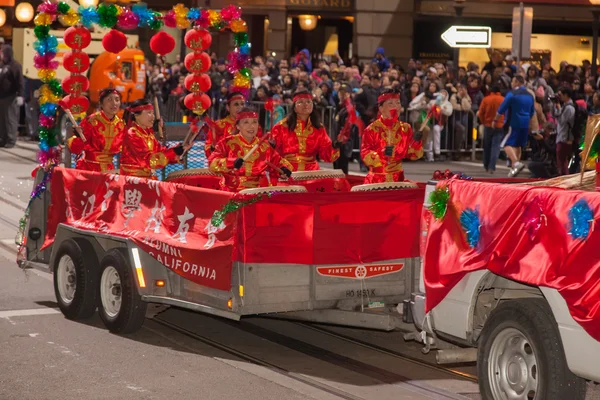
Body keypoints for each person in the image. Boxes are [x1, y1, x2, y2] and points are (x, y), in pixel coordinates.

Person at [209, 107, 292, 192]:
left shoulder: (264, 146)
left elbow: (280, 163)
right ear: (237, 126)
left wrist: (283, 170)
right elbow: (212, 163)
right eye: (246, 122)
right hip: (231, 191)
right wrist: (231, 162)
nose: (251, 126)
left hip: (257, 192)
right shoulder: (227, 143)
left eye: (254, 122)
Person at [360, 89, 424, 183]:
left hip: (398, 180)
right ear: (381, 108)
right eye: (390, 103)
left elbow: (412, 155)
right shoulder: (371, 129)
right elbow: (365, 154)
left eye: (398, 103)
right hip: (376, 180)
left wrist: (416, 143)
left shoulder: (405, 128)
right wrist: (381, 153)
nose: (396, 107)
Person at [271, 90, 341, 171]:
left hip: (311, 172)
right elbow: (272, 152)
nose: (305, 105)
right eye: (300, 102)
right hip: (287, 170)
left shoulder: (319, 128)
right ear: (294, 107)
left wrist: (335, 146)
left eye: (308, 102)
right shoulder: (282, 126)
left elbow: (326, 155)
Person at [120, 99, 183, 178]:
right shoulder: (132, 134)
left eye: (153, 113)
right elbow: (149, 161)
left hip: (147, 179)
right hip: (133, 182)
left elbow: (160, 152)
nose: (153, 116)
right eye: (149, 113)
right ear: (136, 116)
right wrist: (173, 152)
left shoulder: (148, 134)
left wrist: (177, 152)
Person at [67, 88, 125, 172]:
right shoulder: (91, 121)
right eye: (109, 100)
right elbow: (74, 149)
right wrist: (79, 137)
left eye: (117, 100)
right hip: (89, 169)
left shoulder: (121, 125)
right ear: (101, 103)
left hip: (109, 170)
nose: (114, 103)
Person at [494, 75, 535, 177]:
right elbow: (532, 112)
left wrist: (495, 120)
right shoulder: (530, 95)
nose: (511, 84)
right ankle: (514, 168)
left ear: (516, 82)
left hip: (514, 122)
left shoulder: (512, 94)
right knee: (517, 145)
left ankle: (516, 163)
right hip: (525, 123)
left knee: (506, 144)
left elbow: (502, 108)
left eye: (512, 81)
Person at [205, 92, 247, 158]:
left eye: (242, 104)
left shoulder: (253, 126)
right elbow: (208, 152)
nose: (240, 107)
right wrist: (213, 147)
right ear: (228, 107)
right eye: (236, 104)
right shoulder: (218, 126)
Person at [333, 83, 363, 174]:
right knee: (336, 167)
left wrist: (340, 139)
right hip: (337, 141)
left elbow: (347, 127)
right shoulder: (339, 107)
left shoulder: (349, 108)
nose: (342, 95)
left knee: (342, 169)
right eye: (340, 93)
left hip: (343, 142)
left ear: (349, 94)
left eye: (344, 93)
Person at [0, 45, 24, 148]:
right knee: (2, 120)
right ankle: (3, 138)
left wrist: (20, 95)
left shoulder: (15, 66)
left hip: (11, 96)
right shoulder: (2, 65)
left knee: (10, 119)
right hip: (2, 96)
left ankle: (11, 139)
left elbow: (20, 81)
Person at [478, 86, 505, 173]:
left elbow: (481, 113)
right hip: (499, 125)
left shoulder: (486, 99)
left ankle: (486, 165)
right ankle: (492, 167)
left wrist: (484, 122)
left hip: (488, 124)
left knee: (487, 146)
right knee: (495, 146)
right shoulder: (502, 99)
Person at [552, 86, 576, 176]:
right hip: (562, 136)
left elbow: (562, 121)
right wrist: (556, 105)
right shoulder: (566, 106)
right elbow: (556, 116)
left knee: (562, 162)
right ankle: (564, 177)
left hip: (565, 137)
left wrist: (558, 107)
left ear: (566, 95)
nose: (559, 97)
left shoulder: (569, 108)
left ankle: (564, 178)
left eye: (560, 95)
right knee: (563, 161)